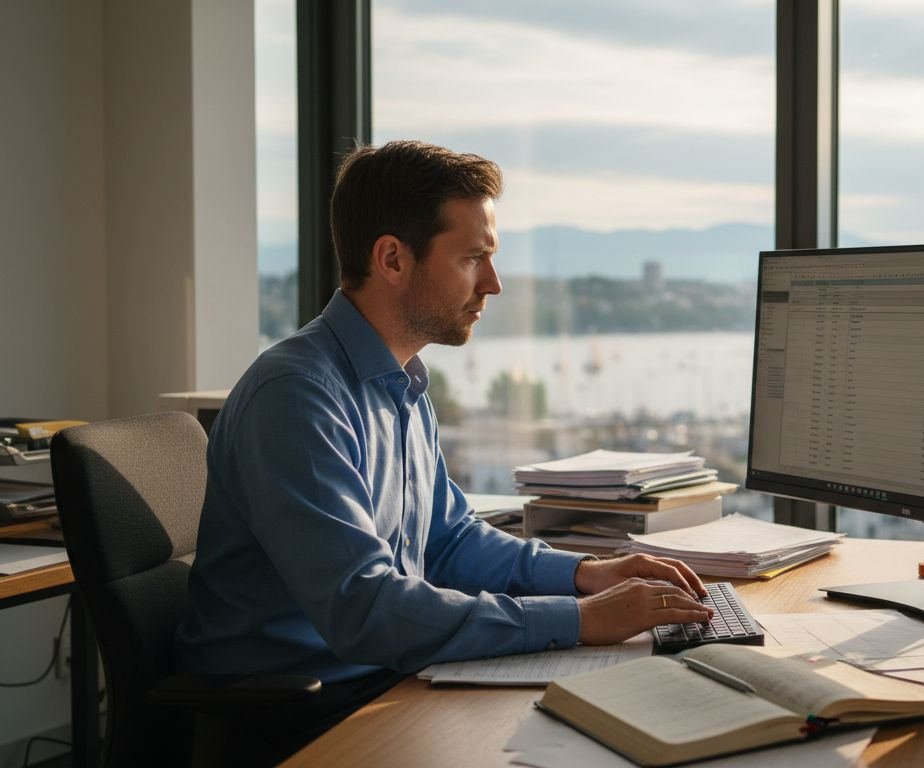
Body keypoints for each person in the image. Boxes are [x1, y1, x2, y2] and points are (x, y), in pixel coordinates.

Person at [176, 140, 713, 762]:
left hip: (384, 677)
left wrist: (584, 576)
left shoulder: (401, 382)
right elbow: (366, 607)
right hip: (297, 715)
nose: (494, 283)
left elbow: (449, 540)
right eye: (474, 258)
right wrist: (582, 619)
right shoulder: (297, 397)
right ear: (393, 258)